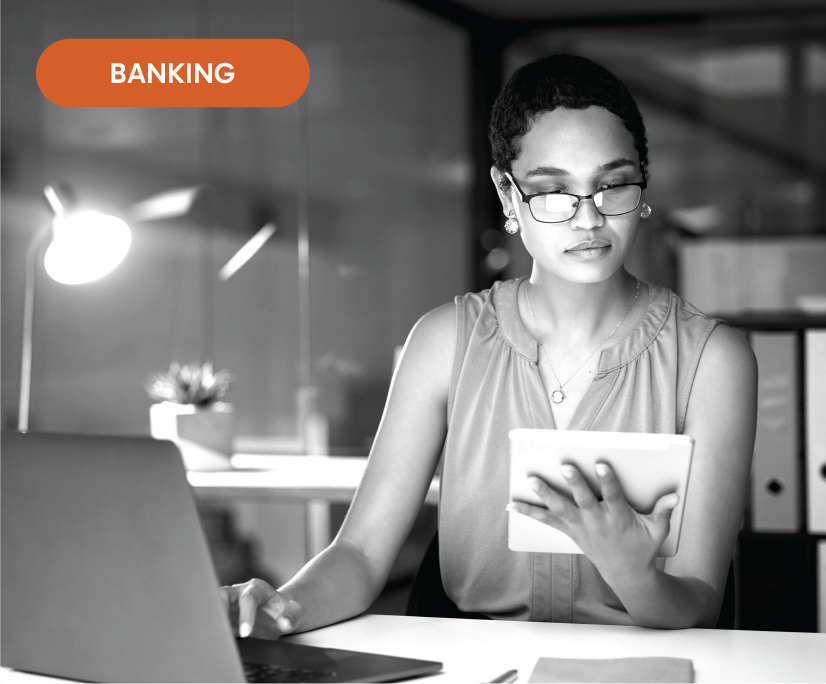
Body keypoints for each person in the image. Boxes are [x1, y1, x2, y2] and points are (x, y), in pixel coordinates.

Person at [221, 53, 757, 634]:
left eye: (612, 185)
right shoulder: (443, 341)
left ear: (641, 186)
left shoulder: (713, 360)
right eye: (553, 191)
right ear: (507, 194)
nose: (588, 219)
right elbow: (360, 555)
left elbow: (698, 602)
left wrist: (633, 572)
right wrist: (277, 609)